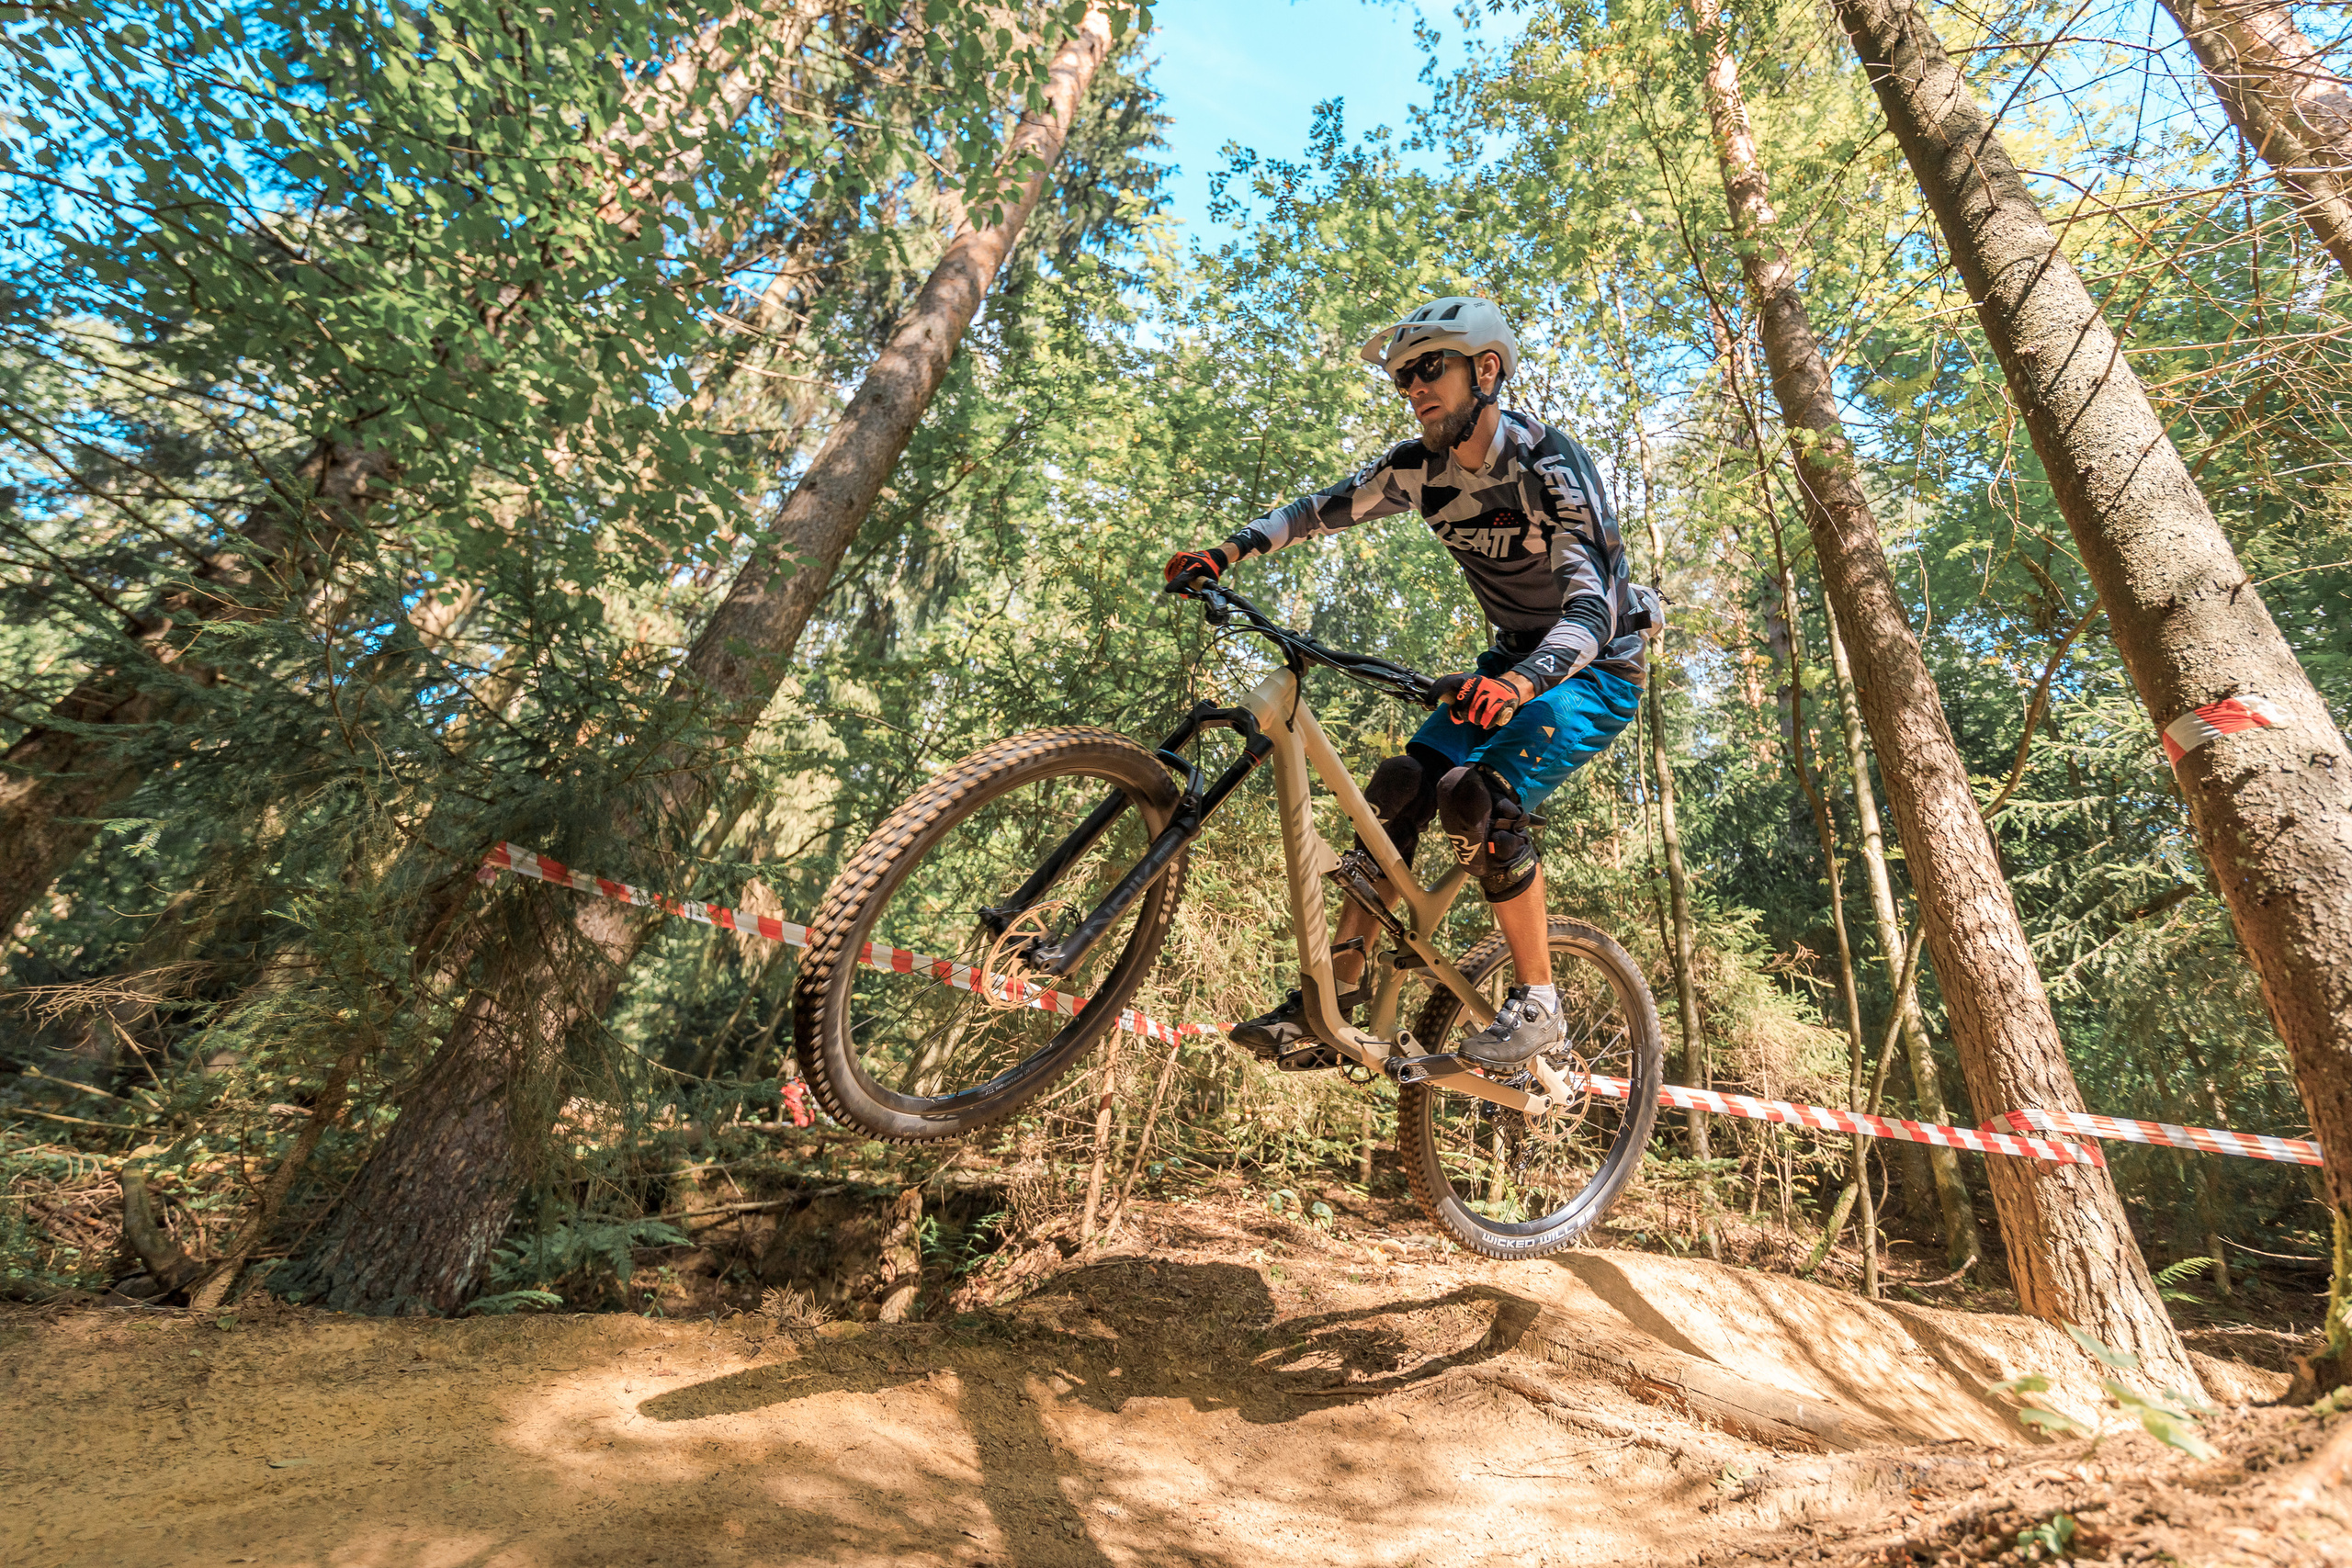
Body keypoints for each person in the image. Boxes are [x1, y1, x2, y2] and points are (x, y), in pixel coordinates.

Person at [1164, 296, 1651, 1071]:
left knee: (1474, 796)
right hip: (1512, 663)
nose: (1414, 388)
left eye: (1429, 369)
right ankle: (1342, 991)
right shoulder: (1417, 469)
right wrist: (1229, 551)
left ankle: (1540, 1002)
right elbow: (1321, 509)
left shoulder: (1547, 464)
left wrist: (1523, 685)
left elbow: (1596, 608)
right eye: (1403, 378)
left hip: (1593, 666)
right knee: (1398, 783)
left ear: (1486, 370)